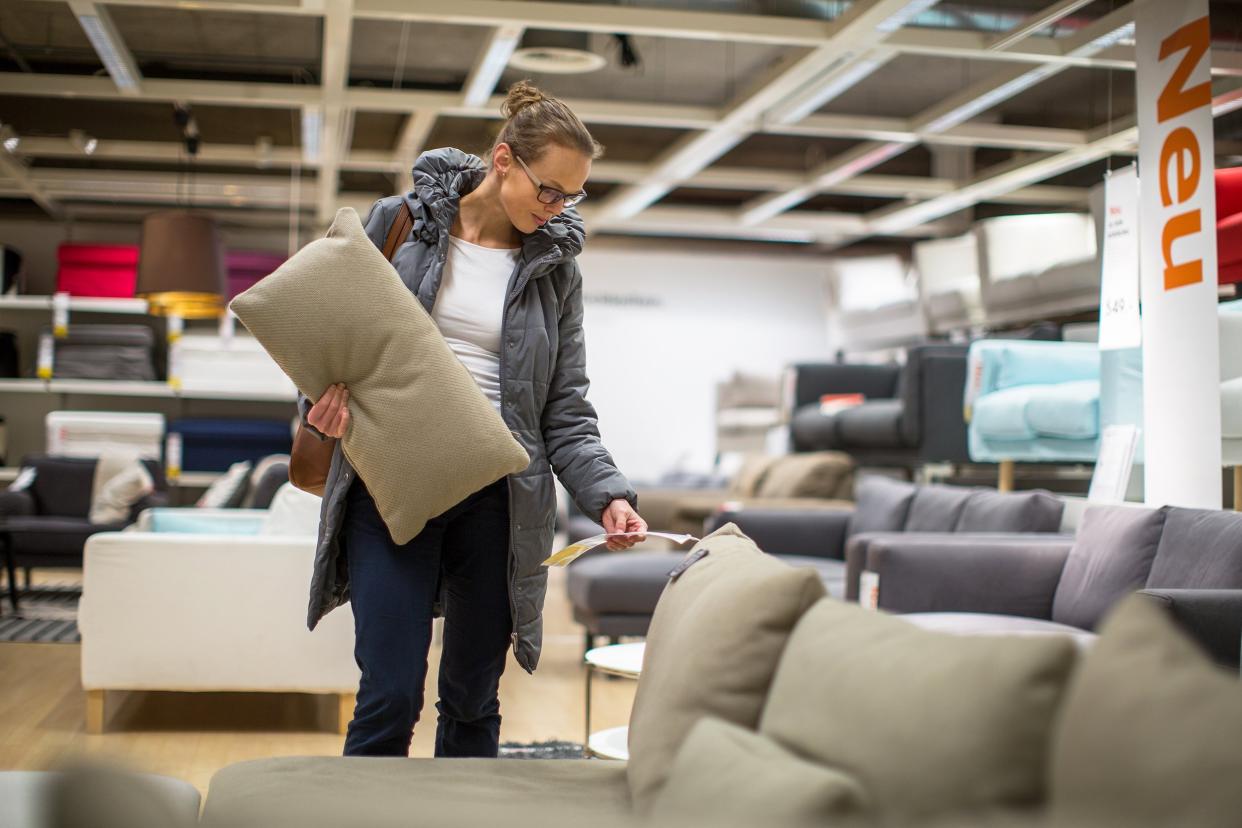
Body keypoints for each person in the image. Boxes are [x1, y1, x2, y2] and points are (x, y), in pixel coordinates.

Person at [294, 80, 647, 759]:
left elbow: (565, 409)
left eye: (571, 198)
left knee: (471, 699)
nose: (557, 210)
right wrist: (322, 410)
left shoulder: (555, 272)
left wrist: (609, 495)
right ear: (504, 160)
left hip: (499, 503)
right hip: (392, 486)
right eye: (549, 190)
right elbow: (326, 335)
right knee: (389, 692)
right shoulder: (397, 224)